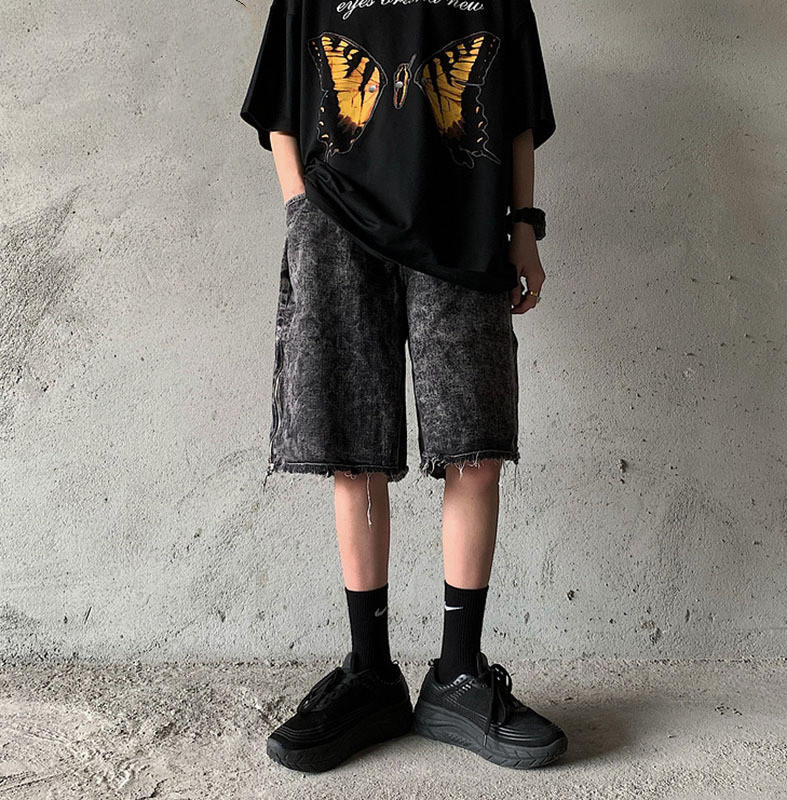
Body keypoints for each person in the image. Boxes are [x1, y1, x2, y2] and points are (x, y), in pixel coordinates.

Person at [240, 0, 567, 773]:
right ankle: (369, 673)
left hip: (467, 225)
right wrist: (300, 210)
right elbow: (280, 103)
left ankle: (458, 676)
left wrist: (524, 225)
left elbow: (517, 106)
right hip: (336, 224)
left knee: (475, 447)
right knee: (353, 453)